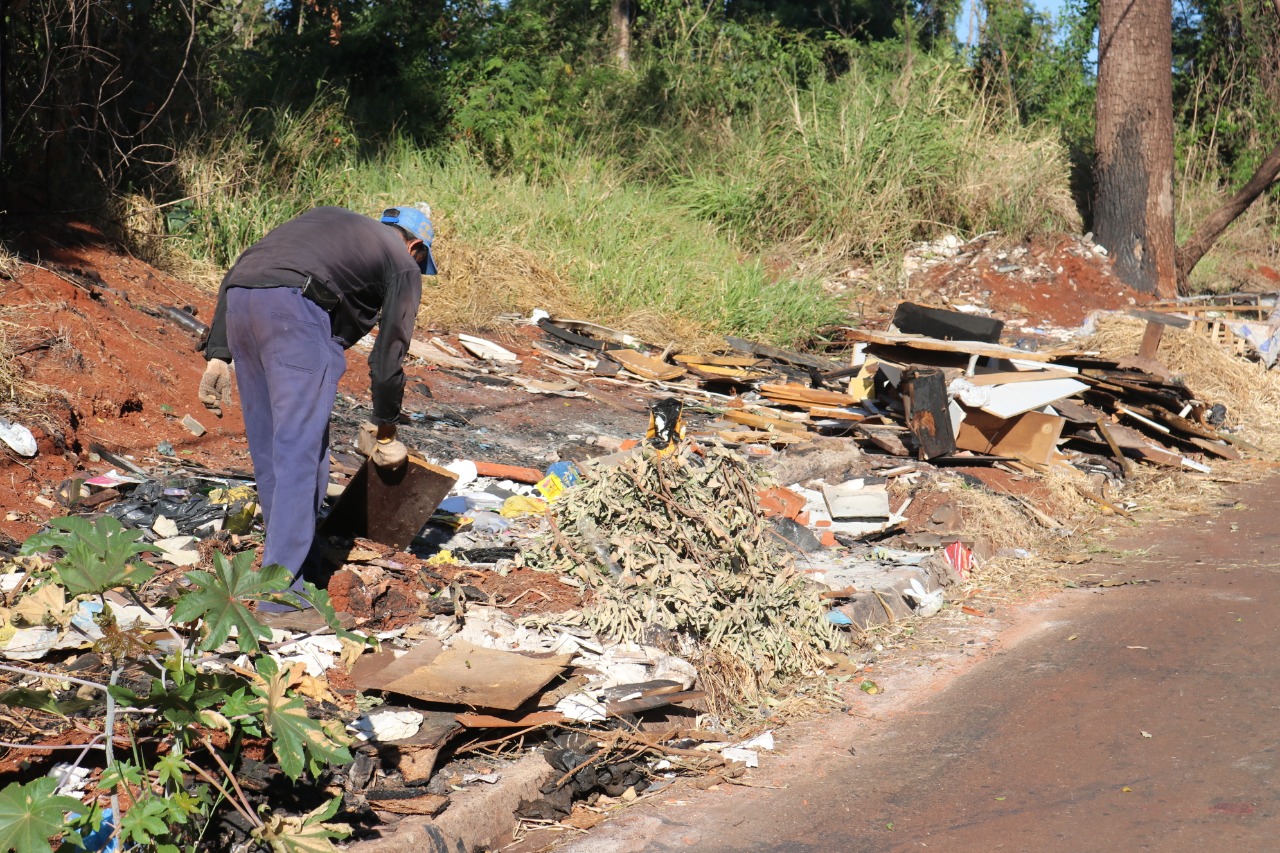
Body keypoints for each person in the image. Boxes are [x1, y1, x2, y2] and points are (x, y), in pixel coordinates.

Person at [197, 204, 438, 600]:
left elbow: (245, 266)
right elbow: (389, 354)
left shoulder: (328, 226)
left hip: (242, 304)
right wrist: (386, 426)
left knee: (273, 450)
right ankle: (283, 596)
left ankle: (296, 573)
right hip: (295, 315)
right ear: (415, 247)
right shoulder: (402, 263)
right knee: (299, 452)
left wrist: (219, 352)